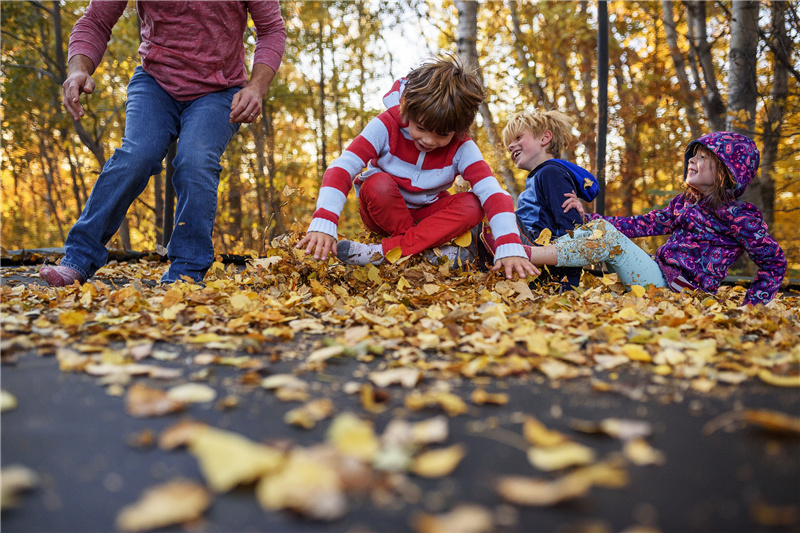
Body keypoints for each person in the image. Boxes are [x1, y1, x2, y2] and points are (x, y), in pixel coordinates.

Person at [39, 1, 286, 286]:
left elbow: (271, 30)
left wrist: (256, 87)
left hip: (220, 90)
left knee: (195, 160)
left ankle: (186, 274)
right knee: (136, 156)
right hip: (155, 82)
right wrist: (78, 69)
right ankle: (77, 261)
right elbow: (96, 20)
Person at [295, 56, 538, 280]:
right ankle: (417, 249)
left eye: (443, 134)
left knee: (474, 204)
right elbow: (343, 167)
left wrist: (509, 245)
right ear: (407, 109)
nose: (429, 141)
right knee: (377, 183)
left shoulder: (463, 146)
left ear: (459, 129)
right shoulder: (386, 124)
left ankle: (386, 252)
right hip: (382, 208)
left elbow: (493, 192)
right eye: (421, 128)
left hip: (428, 215)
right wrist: (324, 222)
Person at [526, 132, 786, 306]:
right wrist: (589, 216)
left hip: (682, 293)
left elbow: (774, 262)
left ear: (726, 170)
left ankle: (524, 254)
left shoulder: (741, 216)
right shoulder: (684, 204)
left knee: (605, 237)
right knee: (601, 230)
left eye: (703, 156)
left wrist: (752, 305)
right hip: (657, 277)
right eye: (693, 155)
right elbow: (641, 224)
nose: (692, 160)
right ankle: (530, 252)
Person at [476, 109, 599, 289]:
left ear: (544, 138)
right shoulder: (540, 176)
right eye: (508, 143)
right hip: (534, 249)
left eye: (518, 138)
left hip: (544, 261)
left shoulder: (551, 173)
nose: (511, 146)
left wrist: (566, 284)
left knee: (490, 206)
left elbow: (572, 234)